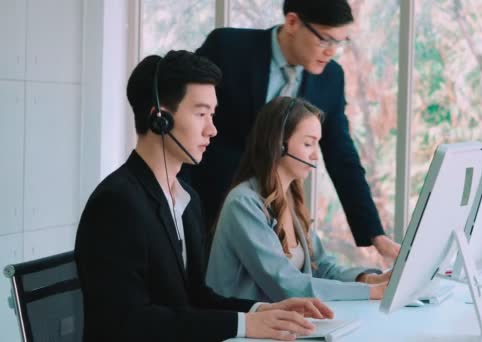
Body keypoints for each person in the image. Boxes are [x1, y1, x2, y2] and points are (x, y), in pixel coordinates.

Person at [74, 50, 333, 342]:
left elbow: (196, 298)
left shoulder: (187, 200)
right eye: (201, 114)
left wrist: (262, 311)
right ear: (160, 120)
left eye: (212, 114)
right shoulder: (117, 204)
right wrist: (244, 326)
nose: (212, 130)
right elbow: (128, 323)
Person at [188, 0, 400, 261]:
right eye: (325, 40)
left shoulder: (330, 78)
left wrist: (374, 234)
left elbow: (341, 155)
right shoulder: (228, 48)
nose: (331, 51)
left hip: (273, 218)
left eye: (340, 42)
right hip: (204, 206)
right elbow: (183, 113)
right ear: (292, 22)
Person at [206, 97, 391, 302]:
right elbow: (286, 284)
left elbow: (322, 268)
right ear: (279, 145)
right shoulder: (243, 204)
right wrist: (371, 293)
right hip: (246, 329)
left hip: (282, 326)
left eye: (316, 145)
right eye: (307, 143)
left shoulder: (291, 202)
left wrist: (370, 280)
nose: (315, 156)